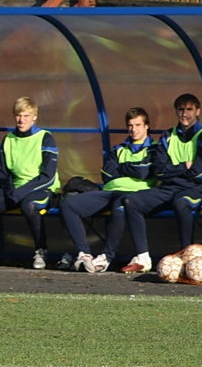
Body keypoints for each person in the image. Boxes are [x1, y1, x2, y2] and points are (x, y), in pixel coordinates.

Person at [121, 93, 202, 272]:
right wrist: (183, 167)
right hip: (169, 187)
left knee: (181, 203)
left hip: (195, 188)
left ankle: (187, 259)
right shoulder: (168, 135)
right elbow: (158, 170)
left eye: (189, 109)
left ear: (197, 111)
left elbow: (200, 173)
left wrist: (172, 170)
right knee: (131, 201)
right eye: (181, 109)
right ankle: (143, 258)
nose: (184, 114)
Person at [58, 107, 155, 272]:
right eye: (130, 125)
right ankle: (84, 254)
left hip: (134, 194)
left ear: (146, 126)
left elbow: (144, 171)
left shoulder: (155, 148)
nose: (134, 129)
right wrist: (132, 168)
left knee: (121, 205)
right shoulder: (119, 149)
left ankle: (106, 257)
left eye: (138, 125)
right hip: (109, 191)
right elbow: (107, 173)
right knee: (68, 204)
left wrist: (122, 167)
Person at [0, 96, 60, 270]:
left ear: (34, 117)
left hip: (41, 188)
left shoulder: (45, 138)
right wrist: (10, 190)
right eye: (18, 115)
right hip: (15, 188)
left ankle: (41, 250)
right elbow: (2, 172)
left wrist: (21, 192)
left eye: (26, 115)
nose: (21, 120)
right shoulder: (8, 139)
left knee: (29, 205)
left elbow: (48, 176)